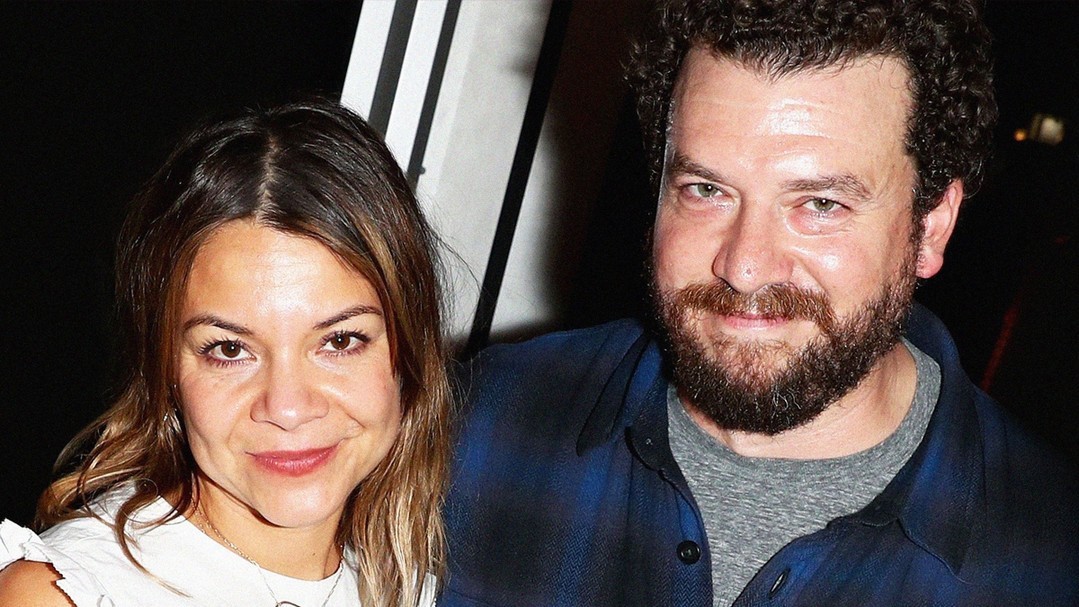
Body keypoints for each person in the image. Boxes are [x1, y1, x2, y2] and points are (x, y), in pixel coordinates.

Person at [438, 1, 1079, 606]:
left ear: (931, 227)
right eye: (706, 189)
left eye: (820, 204)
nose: (744, 267)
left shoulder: (1047, 558)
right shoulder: (472, 427)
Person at [0, 100, 450, 607]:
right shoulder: (65, 594)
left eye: (340, 341)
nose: (287, 408)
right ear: (165, 369)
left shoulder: (404, 587)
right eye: (231, 349)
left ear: (408, 352)